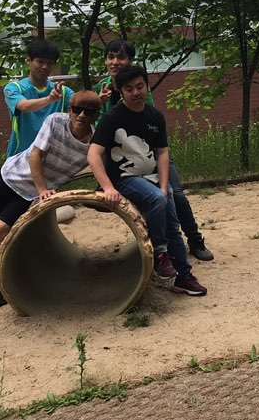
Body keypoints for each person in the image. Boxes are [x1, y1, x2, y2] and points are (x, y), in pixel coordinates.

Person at [0, 90, 102, 308]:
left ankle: (2, 281)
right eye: (77, 109)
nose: (82, 115)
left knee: (2, 229)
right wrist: (43, 189)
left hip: (30, 192)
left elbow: (98, 164)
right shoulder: (55, 122)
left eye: (89, 111)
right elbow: (36, 155)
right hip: (12, 176)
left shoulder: (93, 143)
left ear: (95, 115)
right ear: (69, 110)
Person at [88, 65, 207, 297]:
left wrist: (164, 185)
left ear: (147, 86)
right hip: (125, 179)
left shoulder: (155, 116)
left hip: (151, 177)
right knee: (156, 199)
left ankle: (183, 276)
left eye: (140, 86)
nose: (136, 92)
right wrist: (108, 187)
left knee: (172, 220)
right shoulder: (112, 118)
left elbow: (162, 152)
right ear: (120, 91)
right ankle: (160, 252)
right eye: (129, 89)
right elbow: (93, 154)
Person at [95, 39, 213, 261]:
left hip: (149, 152)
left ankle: (194, 240)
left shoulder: (139, 87)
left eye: (121, 57)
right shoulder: (101, 87)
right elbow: (96, 125)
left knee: (175, 195)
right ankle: (163, 248)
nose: (115, 62)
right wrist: (99, 103)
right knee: (154, 198)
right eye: (110, 57)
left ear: (130, 61)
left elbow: (146, 120)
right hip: (123, 160)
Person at [3, 39, 74, 157]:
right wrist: (49, 99)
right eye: (40, 61)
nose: (45, 67)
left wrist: (98, 100)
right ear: (28, 61)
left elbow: (80, 103)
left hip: (52, 157)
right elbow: (24, 106)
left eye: (50, 63)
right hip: (20, 157)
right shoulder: (14, 88)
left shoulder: (62, 91)